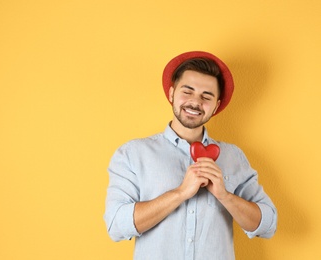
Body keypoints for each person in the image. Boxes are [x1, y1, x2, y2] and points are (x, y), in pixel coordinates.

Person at [104, 51, 277, 260]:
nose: (195, 102)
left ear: (216, 105)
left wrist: (225, 196)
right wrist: (180, 193)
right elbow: (116, 225)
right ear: (171, 94)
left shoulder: (234, 157)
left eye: (206, 96)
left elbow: (268, 225)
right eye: (187, 91)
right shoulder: (133, 154)